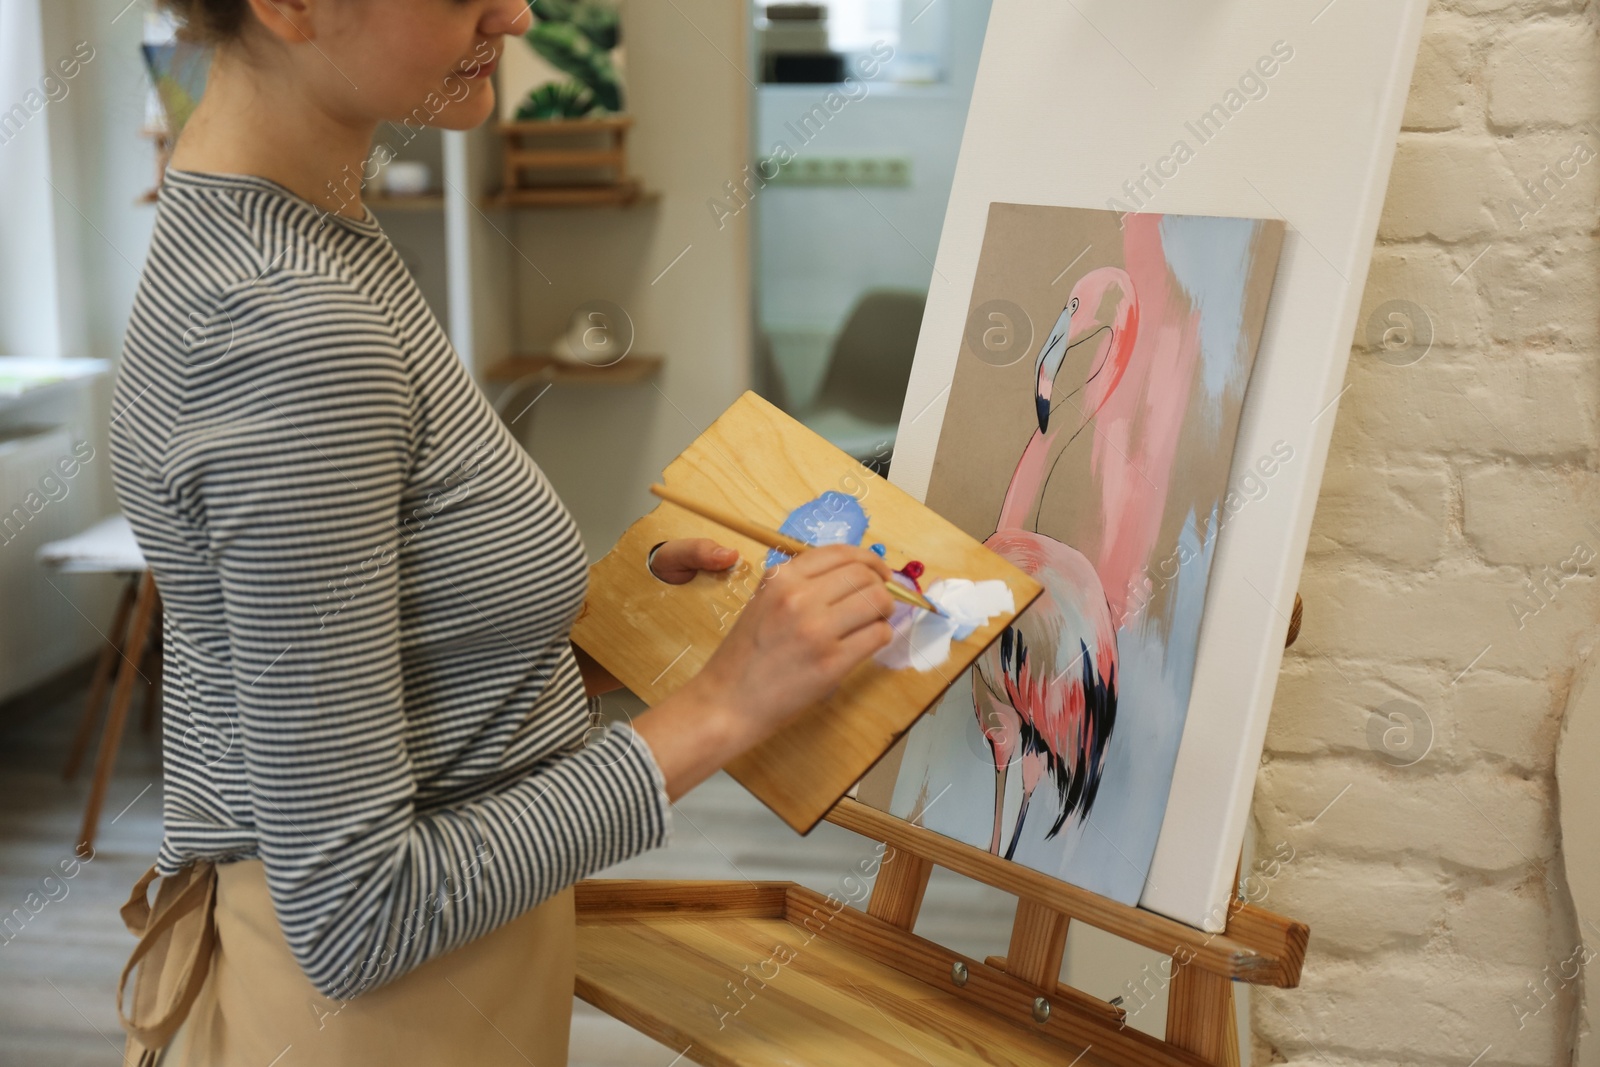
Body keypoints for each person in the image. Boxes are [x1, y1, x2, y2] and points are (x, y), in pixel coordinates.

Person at [108, 2, 895, 1063]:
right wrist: (722, 706)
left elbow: (355, 682)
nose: (516, 9)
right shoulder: (290, 322)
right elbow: (358, 911)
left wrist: (598, 633)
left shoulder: (293, 229)